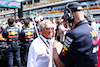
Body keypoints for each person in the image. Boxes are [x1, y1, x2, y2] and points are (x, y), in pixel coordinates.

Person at [53, 2, 98, 67]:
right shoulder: (91, 29)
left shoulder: (73, 34)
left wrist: (54, 47)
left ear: (69, 15)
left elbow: (59, 63)